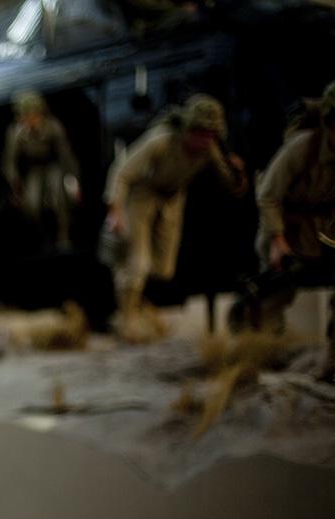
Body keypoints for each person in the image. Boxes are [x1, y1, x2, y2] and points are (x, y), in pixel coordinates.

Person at [104, 94, 245, 342]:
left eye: (211, 134)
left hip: (171, 201)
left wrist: (238, 173)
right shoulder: (161, 141)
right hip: (141, 197)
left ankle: (137, 305)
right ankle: (126, 319)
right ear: (188, 128)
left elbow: (230, 184)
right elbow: (122, 173)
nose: (205, 140)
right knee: (138, 265)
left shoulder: (209, 149)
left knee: (163, 269)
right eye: (200, 132)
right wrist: (115, 212)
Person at [247, 81, 335, 381]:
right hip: (284, 226)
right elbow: (268, 196)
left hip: (323, 231)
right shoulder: (303, 146)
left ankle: (332, 365)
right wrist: (277, 241)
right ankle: (260, 358)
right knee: (274, 294)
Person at [2, 90, 81, 250]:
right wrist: (15, 184)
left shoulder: (53, 126)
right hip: (33, 169)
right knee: (32, 203)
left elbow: (65, 154)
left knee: (59, 197)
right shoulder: (16, 132)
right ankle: (43, 239)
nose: (30, 120)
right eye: (25, 116)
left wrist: (73, 179)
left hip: (52, 165)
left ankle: (63, 237)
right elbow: (10, 161)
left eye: (33, 114)